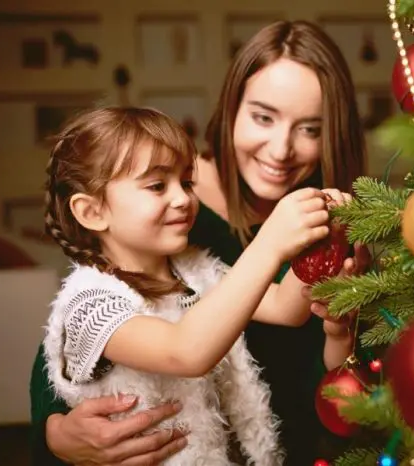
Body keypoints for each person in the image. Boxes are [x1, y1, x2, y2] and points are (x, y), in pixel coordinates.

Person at [30, 20, 368, 465]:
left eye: (310, 128)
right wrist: (56, 430)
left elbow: (289, 308)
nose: (281, 149)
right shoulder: (124, 263)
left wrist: (333, 273)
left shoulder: (193, 264)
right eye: (263, 117)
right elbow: (71, 355)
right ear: (231, 109)